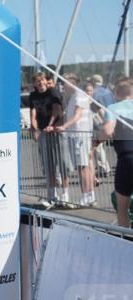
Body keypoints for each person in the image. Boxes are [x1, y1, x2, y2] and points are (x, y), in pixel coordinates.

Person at [57, 74, 95, 207]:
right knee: (84, 166)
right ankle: (89, 195)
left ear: (72, 82)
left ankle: (86, 196)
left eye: (65, 82)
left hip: (80, 136)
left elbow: (77, 115)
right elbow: (68, 115)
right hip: (77, 135)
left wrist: (64, 127)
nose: (63, 85)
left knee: (83, 167)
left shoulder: (79, 95)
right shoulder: (75, 96)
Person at [29, 72, 66, 206]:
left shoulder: (53, 92)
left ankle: (64, 195)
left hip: (55, 130)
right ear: (34, 84)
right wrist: (34, 127)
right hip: (43, 132)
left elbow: (57, 111)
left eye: (42, 80)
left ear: (46, 81)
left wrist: (51, 125)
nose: (40, 83)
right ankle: (52, 195)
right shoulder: (33, 95)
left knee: (61, 163)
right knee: (48, 164)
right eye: (37, 81)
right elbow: (33, 112)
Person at [102, 79, 133, 228]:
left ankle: (126, 242)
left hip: (127, 159)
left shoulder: (114, 108)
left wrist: (96, 140)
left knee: (122, 208)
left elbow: (107, 131)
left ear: (117, 94)